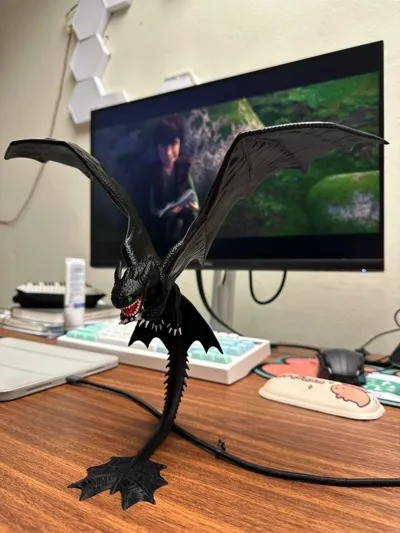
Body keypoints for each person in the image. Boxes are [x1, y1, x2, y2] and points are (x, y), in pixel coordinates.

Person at [148, 115, 199, 242]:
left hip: (180, 210)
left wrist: (194, 206)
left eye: (174, 143)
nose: (168, 152)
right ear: (157, 146)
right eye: (163, 145)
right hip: (163, 215)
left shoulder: (182, 168)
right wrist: (163, 213)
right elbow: (152, 207)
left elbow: (193, 196)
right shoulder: (154, 172)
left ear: (180, 143)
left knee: (192, 216)